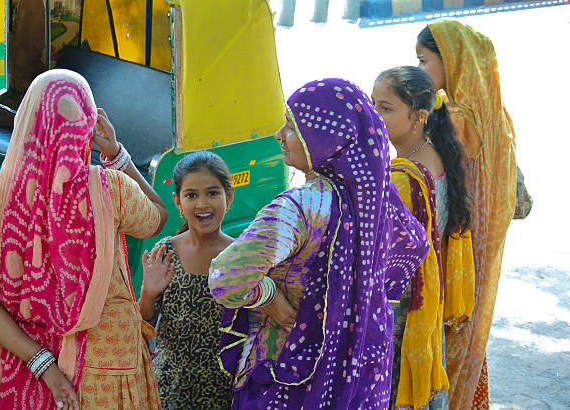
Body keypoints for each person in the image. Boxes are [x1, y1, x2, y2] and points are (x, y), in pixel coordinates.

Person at [208, 78, 430, 409]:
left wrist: (272, 298)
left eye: (292, 126)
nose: (278, 135)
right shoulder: (380, 199)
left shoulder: (298, 208)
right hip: (356, 369)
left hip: (287, 369)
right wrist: (353, 305)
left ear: (326, 139)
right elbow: (414, 243)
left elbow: (225, 279)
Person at [0, 69, 167, 409]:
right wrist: (116, 153)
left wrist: (42, 364)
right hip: (105, 364)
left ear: (28, 120)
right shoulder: (111, 189)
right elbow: (158, 217)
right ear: (86, 125)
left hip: (19, 362)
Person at [416, 21, 517, 409]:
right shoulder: (497, 115)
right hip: (478, 251)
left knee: (447, 334)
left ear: (454, 62)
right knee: (466, 333)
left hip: (450, 250)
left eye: (424, 61)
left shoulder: (450, 118)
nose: (420, 70)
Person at [372, 66, 475, 410]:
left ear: (418, 117)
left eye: (385, 108)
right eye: (373, 106)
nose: (375, 116)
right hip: (425, 309)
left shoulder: (404, 178)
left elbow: (381, 255)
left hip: (401, 317)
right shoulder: (435, 155)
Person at [138, 151, 235, 409]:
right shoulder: (166, 252)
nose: (202, 203)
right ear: (177, 202)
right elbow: (143, 324)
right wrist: (149, 291)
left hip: (225, 389)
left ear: (230, 196)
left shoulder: (242, 256)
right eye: (191, 195)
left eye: (212, 193)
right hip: (171, 389)